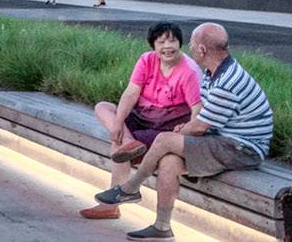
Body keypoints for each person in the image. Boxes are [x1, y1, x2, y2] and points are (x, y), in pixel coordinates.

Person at [94, 23, 273, 240]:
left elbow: (200, 127)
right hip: (224, 140)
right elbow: (202, 118)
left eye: (192, 44)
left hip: (242, 148)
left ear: (202, 50)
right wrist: (186, 127)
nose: (189, 48)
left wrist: (185, 129)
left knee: (165, 140)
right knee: (169, 162)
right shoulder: (213, 73)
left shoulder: (227, 82)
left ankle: (131, 188)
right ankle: (162, 227)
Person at [81, 22, 202, 221]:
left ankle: (110, 206)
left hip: (165, 126)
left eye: (172, 41)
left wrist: (187, 132)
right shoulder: (147, 60)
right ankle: (129, 141)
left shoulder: (189, 72)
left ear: (180, 43)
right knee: (103, 107)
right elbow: (131, 92)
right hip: (142, 116)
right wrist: (118, 123)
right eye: (161, 42)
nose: (167, 46)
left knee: (118, 148)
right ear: (153, 45)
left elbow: (198, 109)